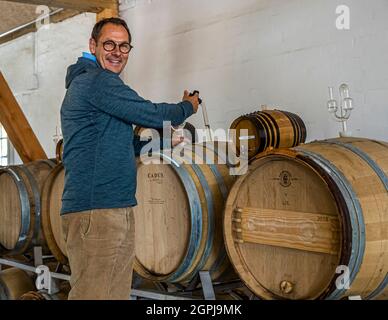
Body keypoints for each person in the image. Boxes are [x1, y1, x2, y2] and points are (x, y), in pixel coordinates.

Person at [60, 17, 199, 300]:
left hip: (111, 206)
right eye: (109, 44)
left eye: (124, 46)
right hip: (98, 209)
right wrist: (188, 106)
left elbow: (122, 143)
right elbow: (153, 113)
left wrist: (161, 142)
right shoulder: (97, 82)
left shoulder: (92, 84)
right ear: (93, 45)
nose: (117, 52)